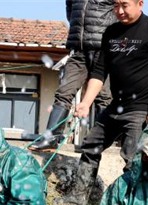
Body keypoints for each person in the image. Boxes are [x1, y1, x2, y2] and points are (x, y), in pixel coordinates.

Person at [63, 0, 148, 205]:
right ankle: (77, 199)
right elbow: (99, 72)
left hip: (140, 109)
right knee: (90, 146)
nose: (119, 11)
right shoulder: (111, 32)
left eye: (125, 5)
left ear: (140, 3)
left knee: (133, 159)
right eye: (116, 6)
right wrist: (86, 102)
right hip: (116, 107)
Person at [29, 0, 115, 152]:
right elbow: (71, 11)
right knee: (64, 92)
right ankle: (51, 139)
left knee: (104, 97)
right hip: (79, 48)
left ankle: (103, 142)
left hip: (103, 49)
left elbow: (121, 9)